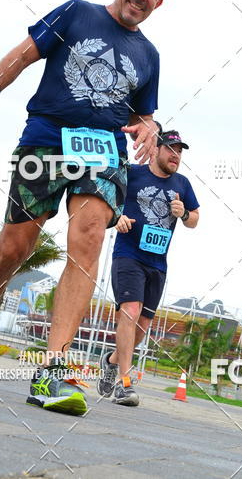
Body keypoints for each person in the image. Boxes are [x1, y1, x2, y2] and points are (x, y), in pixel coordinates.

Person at [0, 0, 169, 416]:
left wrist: (150, 127)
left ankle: (52, 368)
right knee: (12, 249)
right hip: (47, 138)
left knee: (87, 238)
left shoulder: (149, 55)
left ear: (159, 2)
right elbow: (24, 53)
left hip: (103, 151)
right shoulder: (76, 13)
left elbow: (138, 111)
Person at [98, 129, 199, 406]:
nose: (175, 155)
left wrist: (185, 213)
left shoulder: (183, 184)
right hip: (128, 255)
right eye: (171, 149)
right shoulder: (132, 173)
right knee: (129, 312)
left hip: (158, 263)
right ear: (156, 149)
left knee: (142, 328)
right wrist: (116, 217)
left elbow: (195, 220)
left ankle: (110, 360)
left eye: (180, 151)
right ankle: (124, 383)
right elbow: (106, 201)